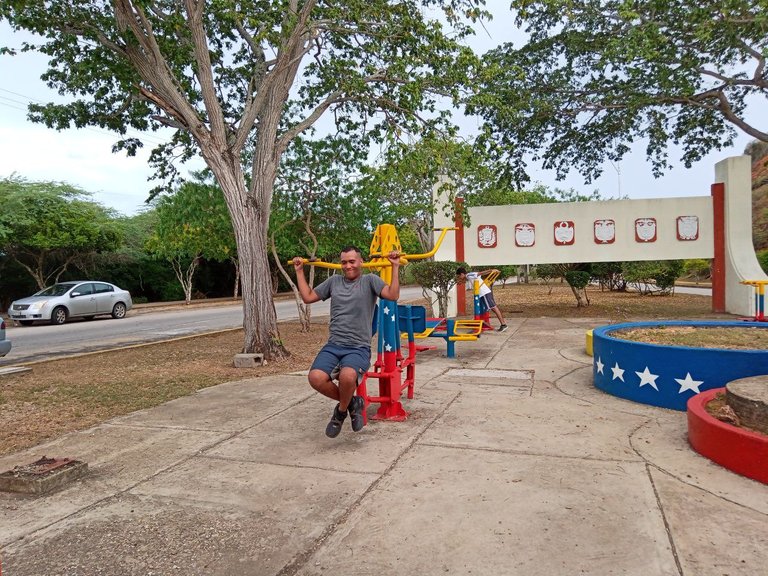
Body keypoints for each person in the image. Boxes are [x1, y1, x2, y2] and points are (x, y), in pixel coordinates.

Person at [293, 246, 401, 438]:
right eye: (344, 262)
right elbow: (308, 297)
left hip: (358, 347)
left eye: (352, 261)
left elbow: (392, 295)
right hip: (334, 345)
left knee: (347, 377)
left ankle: (340, 413)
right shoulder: (334, 282)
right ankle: (352, 403)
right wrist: (299, 271)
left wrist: (395, 266)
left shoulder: (370, 281)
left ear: (360, 262)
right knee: (315, 378)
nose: (348, 266)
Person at [456, 266, 508, 332]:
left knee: (494, 308)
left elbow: (480, 273)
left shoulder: (469, 275)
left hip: (484, 293)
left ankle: (503, 324)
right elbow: (466, 279)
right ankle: (480, 325)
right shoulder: (469, 276)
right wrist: (460, 281)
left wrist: (491, 270)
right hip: (483, 294)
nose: (459, 278)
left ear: (462, 274)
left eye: (458, 276)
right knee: (487, 309)